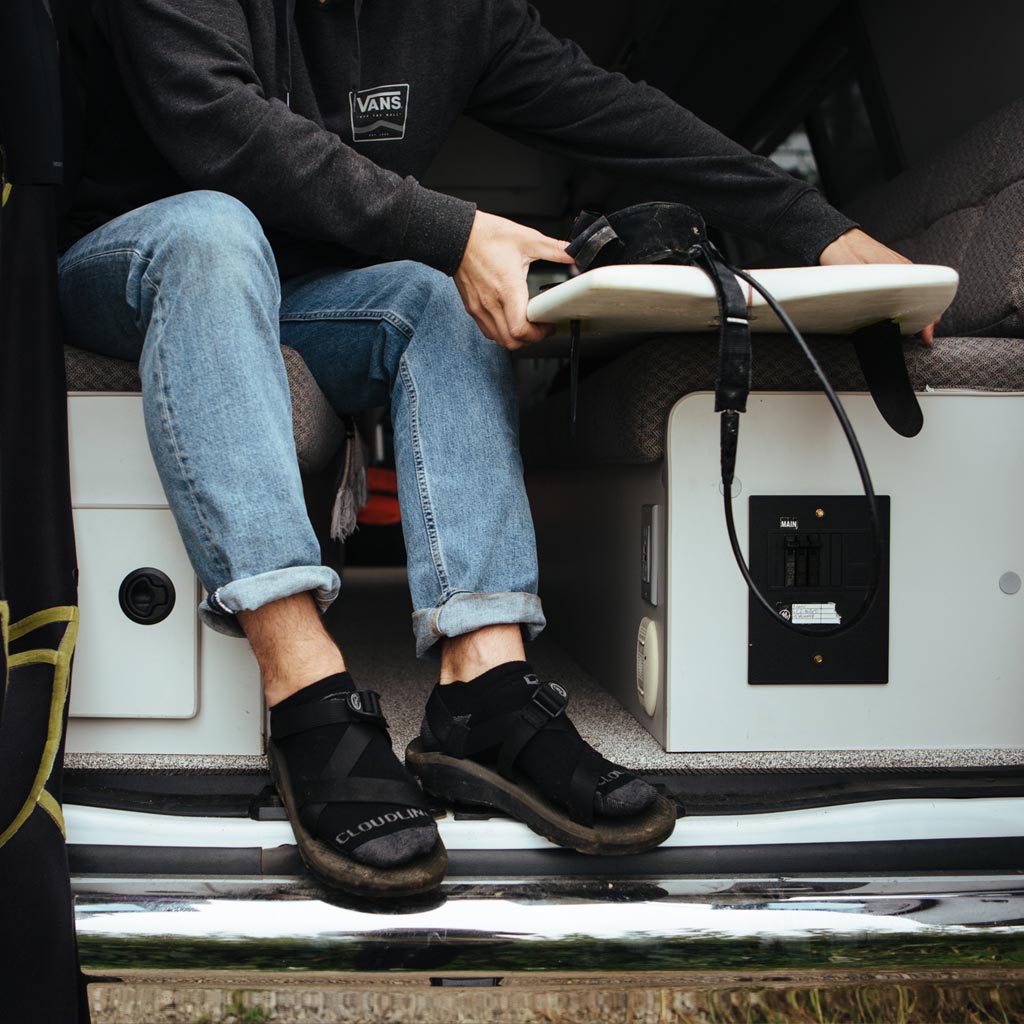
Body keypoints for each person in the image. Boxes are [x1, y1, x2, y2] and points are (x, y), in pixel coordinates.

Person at [59, 0, 929, 896]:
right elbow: (218, 128)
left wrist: (817, 226)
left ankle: (485, 687)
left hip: (297, 290)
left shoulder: (457, 17)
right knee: (215, 227)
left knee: (443, 297)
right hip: (139, 260)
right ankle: (304, 686)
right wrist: (460, 229)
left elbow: (620, 113)